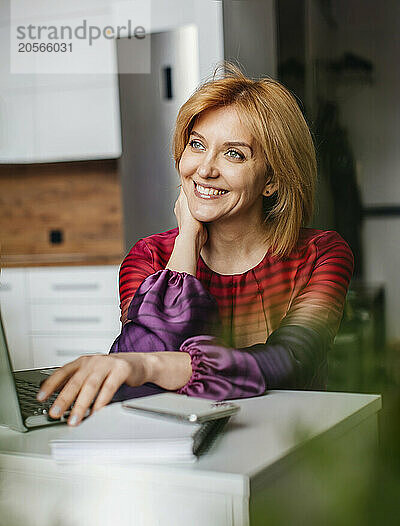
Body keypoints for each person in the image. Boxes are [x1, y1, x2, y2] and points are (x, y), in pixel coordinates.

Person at [37, 62, 354, 426]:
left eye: (233, 153)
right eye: (197, 145)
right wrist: (187, 238)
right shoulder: (149, 257)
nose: (204, 169)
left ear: (273, 180)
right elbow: (142, 382)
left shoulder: (320, 255)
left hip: (291, 442)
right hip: (177, 446)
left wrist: (153, 366)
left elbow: (292, 362)